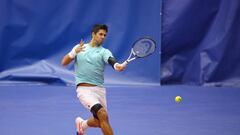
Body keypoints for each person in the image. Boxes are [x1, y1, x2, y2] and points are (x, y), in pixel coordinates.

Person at [61, 24, 126, 135]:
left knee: (100, 121)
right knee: (102, 114)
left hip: (100, 90)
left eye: (105, 35)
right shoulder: (80, 47)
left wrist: (117, 66)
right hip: (84, 90)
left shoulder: (104, 52)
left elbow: (111, 60)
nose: (103, 37)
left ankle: (82, 124)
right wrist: (74, 52)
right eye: (100, 34)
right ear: (93, 34)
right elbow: (64, 62)